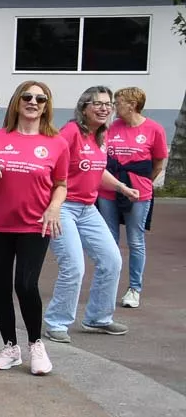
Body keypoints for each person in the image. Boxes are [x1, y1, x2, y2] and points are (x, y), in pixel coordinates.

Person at [0, 80, 67, 375]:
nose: (33, 102)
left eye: (40, 98)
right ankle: (10, 347)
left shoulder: (56, 142)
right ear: (17, 102)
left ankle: (36, 344)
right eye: (27, 96)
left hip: (34, 225)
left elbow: (61, 185)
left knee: (25, 284)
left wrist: (54, 207)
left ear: (46, 105)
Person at [45, 87, 136, 342]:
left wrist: (121, 187)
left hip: (88, 208)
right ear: (84, 107)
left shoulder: (100, 136)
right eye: (97, 103)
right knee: (73, 265)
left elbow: (96, 171)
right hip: (64, 206)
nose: (104, 108)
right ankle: (57, 322)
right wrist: (50, 205)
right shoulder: (71, 132)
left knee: (112, 260)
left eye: (108, 104)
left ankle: (98, 318)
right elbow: (52, 166)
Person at [98, 86, 168, 309]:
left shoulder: (153, 129)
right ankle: (107, 286)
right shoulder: (111, 127)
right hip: (109, 190)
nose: (113, 107)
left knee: (135, 240)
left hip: (139, 192)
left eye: (117, 102)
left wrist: (143, 181)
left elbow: (158, 162)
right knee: (109, 240)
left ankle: (134, 288)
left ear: (132, 105)